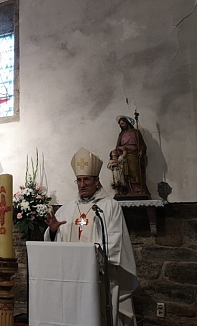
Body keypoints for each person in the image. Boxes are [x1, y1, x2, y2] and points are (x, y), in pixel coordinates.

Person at [44, 147, 139, 326]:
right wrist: (54, 231)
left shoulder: (110, 206)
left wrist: (92, 259)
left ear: (97, 181)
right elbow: (55, 244)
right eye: (79, 180)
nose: (82, 184)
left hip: (100, 278)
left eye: (86, 179)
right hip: (72, 277)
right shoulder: (67, 208)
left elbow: (115, 240)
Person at [115, 115, 150, 197]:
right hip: (124, 155)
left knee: (135, 172)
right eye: (120, 124)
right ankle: (128, 190)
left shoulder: (136, 132)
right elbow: (117, 147)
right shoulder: (121, 134)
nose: (122, 125)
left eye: (123, 123)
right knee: (126, 173)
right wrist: (120, 148)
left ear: (127, 123)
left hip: (134, 154)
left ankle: (138, 189)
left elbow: (142, 144)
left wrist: (141, 150)